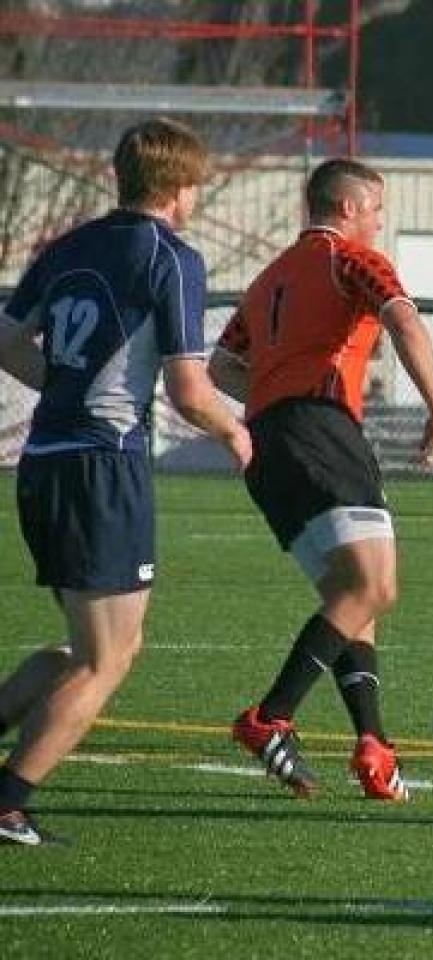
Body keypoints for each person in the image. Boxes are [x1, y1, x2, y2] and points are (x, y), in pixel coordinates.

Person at [0, 119, 251, 845]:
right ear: (178, 187)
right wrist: (235, 431)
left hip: (45, 461)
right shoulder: (171, 257)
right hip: (102, 466)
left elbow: (7, 341)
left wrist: (64, 388)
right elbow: (189, 390)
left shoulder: (67, 247)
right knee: (105, 660)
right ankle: (7, 803)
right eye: (196, 186)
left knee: (92, 648)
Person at [208, 158, 433, 801]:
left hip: (269, 446)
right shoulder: (353, 259)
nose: (379, 221)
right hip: (321, 432)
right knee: (375, 585)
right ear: (347, 208)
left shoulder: (268, 278)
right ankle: (270, 717)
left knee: (351, 597)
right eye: (375, 209)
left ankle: (374, 745)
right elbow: (404, 320)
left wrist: (275, 395)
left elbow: (222, 365)